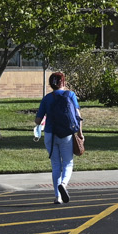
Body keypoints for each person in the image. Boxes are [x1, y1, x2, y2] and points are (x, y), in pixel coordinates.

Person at [34, 71, 83, 204]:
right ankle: (64, 184)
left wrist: (41, 120)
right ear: (63, 82)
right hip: (66, 133)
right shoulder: (70, 95)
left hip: (50, 134)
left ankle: (57, 196)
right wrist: (80, 133)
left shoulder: (47, 98)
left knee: (56, 165)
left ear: (51, 83)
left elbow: (38, 120)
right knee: (68, 163)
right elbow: (78, 116)